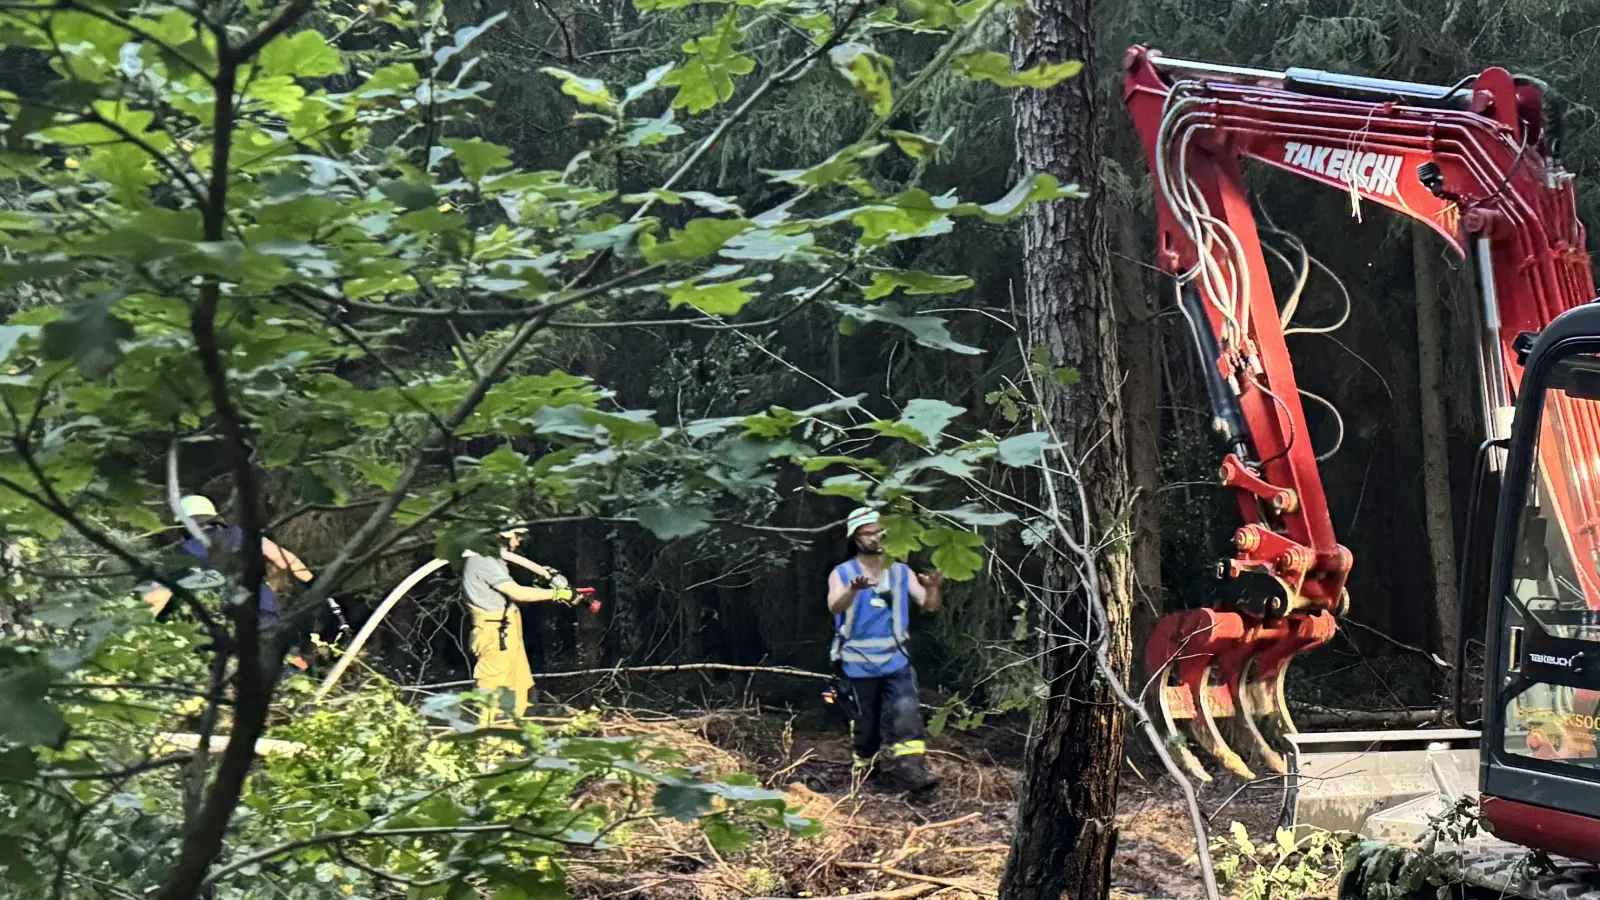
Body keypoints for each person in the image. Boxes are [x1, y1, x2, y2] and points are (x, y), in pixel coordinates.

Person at [826, 507, 943, 792]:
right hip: (857, 664)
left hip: (896, 660)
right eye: (867, 533)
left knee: (907, 714)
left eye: (879, 531)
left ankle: (913, 771)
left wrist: (935, 587)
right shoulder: (842, 573)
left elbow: (928, 604)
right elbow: (834, 606)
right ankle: (865, 771)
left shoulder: (901, 571)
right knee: (865, 724)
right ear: (855, 538)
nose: (875, 537)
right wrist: (853, 590)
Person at [141, 494, 316, 669]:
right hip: (262, 613)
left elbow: (159, 595)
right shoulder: (242, 536)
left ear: (183, 525)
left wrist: (139, 634)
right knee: (284, 661)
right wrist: (312, 584)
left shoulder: (182, 554)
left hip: (220, 625)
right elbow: (284, 558)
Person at [462, 526, 574, 722]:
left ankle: (512, 744)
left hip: (506, 630)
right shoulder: (482, 559)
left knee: (520, 689)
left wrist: (542, 583)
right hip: (494, 634)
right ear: (502, 535)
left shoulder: (494, 559)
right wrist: (557, 594)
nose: (519, 541)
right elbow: (518, 593)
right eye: (517, 536)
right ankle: (491, 746)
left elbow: (512, 598)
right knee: (495, 695)